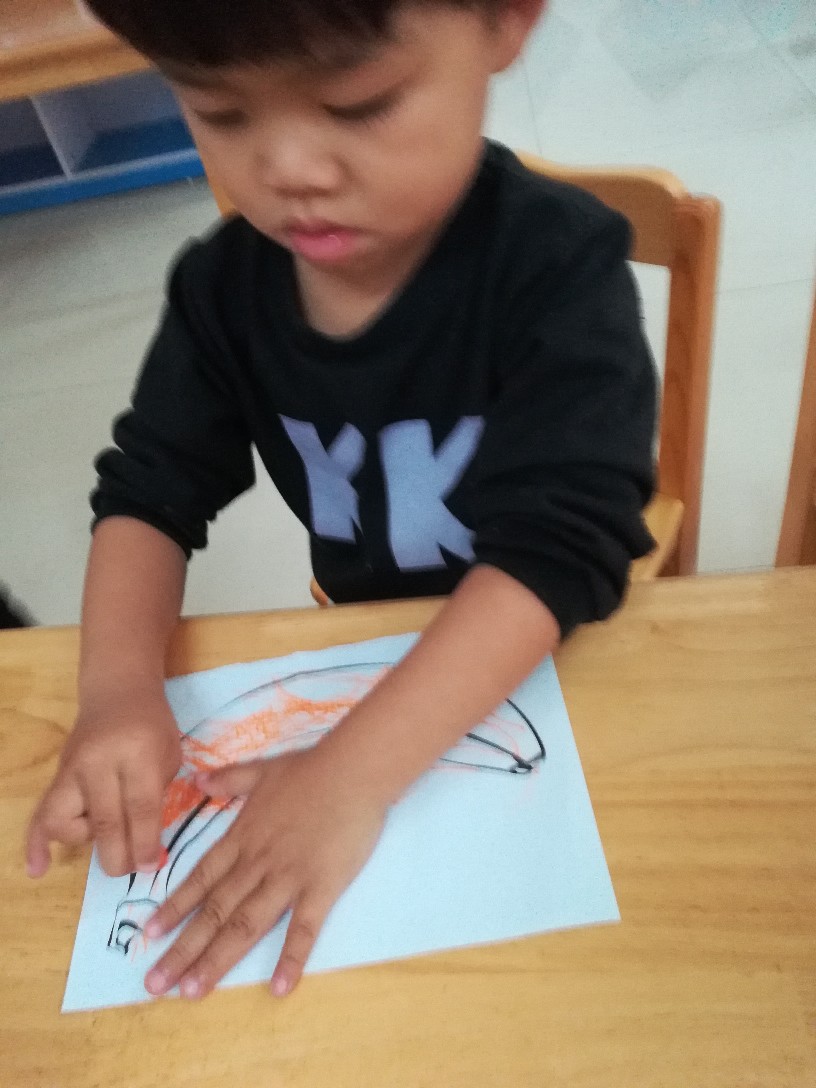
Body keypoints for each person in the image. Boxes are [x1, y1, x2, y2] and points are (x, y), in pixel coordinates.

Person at [26, 0, 657, 1001]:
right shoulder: (223, 291)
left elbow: (562, 548)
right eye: (221, 112)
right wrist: (116, 691)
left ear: (508, 22)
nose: (288, 170)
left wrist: (349, 775)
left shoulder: (558, 268)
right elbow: (148, 492)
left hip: (555, 651)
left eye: (359, 104)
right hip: (362, 627)